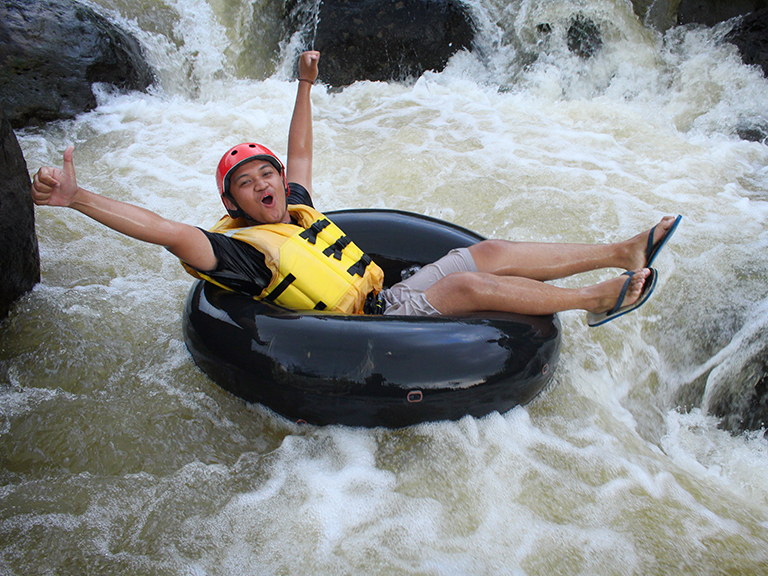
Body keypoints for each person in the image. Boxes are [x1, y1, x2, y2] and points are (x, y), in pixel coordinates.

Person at [31, 50, 681, 326]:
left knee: (492, 251)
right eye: (247, 184)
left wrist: (306, 84)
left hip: (386, 294)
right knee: (462, 284)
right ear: (231, 204)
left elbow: (302, 151)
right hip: (366, 325)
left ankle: (619, 252)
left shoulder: (296, 206)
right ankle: (595, 300)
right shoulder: (239, 253)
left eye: (269, 175)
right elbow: (163, 229)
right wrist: (79, 199)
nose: (266, 184)